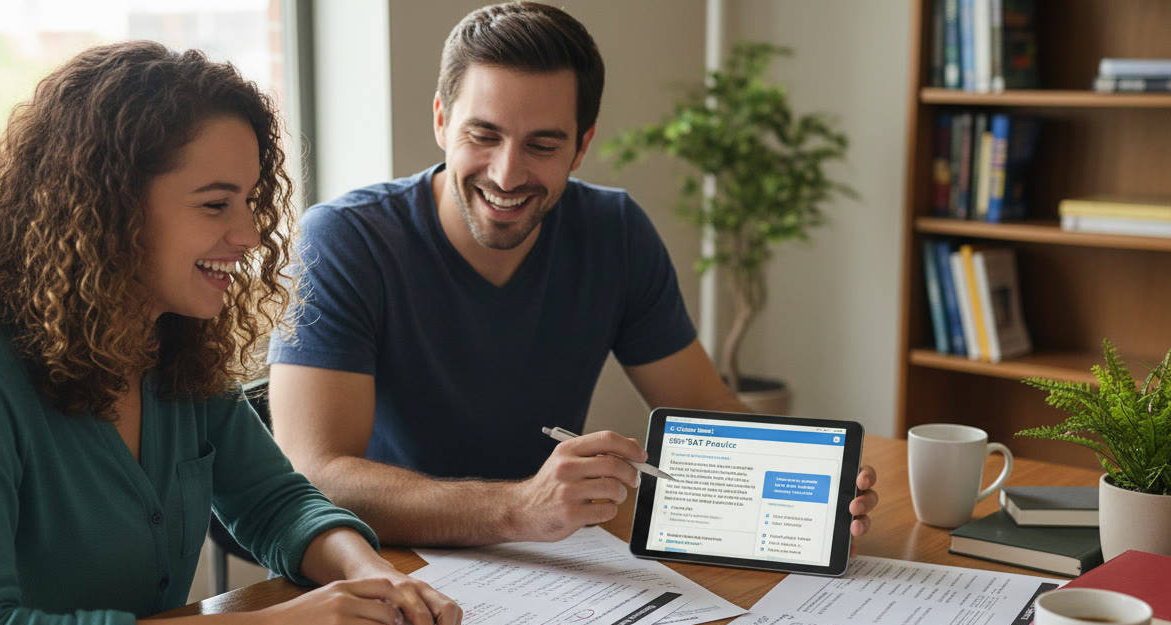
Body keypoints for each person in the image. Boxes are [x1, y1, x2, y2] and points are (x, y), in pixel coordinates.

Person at [0, 41, 460, 625]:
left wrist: (367, 572)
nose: (251, 233)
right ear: (108, 207)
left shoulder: (172, 344)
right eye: (214, 204)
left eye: (251, 201)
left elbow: (275, 504)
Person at [266, 1, 879, 547]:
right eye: (483, 134)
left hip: (553, 561)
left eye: (542, 145)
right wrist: (517, 508)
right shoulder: (345, 238)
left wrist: (812, 478)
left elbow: (702, 407)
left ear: (581, 147)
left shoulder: (613, 230)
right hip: (393, 565)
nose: (507, 175)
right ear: (441, 122)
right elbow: (315, 472)